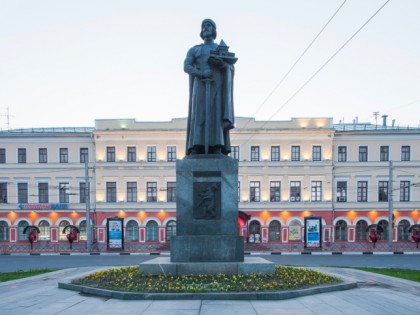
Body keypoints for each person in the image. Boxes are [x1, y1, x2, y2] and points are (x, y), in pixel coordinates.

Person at [184, 19, 236, 155]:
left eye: (209, 26)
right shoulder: (195, 49)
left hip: (217, 86)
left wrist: (222, 65)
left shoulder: (219, 49)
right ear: (201, 31)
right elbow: (186, 66)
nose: (206, 28)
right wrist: (200, 73)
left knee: (216, 115)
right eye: (204, 26)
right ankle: (197, 146)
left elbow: (230, 67)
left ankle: (217, 146)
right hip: (200, 87)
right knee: (199, 115)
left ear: (214, 30)